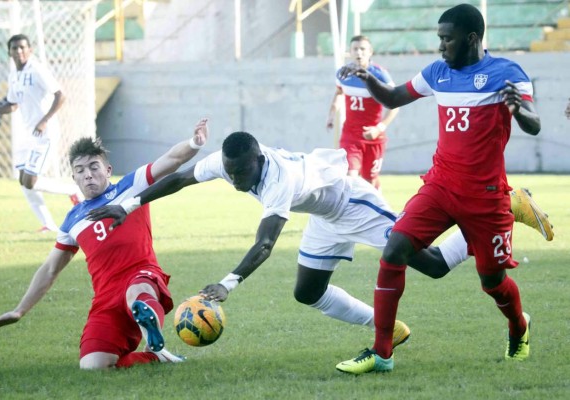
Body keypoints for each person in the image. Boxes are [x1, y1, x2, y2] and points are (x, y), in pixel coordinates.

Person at [86, 127, 550, 352]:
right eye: (230, 173)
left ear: (257, 160)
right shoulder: (228, 165)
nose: (236, 180)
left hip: (352, 203)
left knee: (430, 264)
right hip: (324, 218)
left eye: (242, 173)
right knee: (307, 291)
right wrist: (127, 203)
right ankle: (385, 326)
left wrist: (229, 282)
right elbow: (179, 179)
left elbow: (265, 243)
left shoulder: (278, 179)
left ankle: (505, 209)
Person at [335, 4, 541, 374]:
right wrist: (368, 80)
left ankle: (518, 326)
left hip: (485, 194)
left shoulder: (506, 73)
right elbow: (395, 97)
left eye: (447, 39)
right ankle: (382, 353)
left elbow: (533, 122)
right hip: (440, 185)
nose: (442, 46)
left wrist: (520, 110)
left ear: (472, 38)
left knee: (492, 282)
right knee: (395, 247)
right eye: (440, 39)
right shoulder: (438, 72)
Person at [0, 119, 209, 369]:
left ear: (108, 169)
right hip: (106, 298)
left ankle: (150, 329)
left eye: (94, 166)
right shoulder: (72, 221)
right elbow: (50, 270)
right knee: (93, 366)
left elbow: (171, 159)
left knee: (138, 296)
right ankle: (155, 355)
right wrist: (20, 310)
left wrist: (194, 143)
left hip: (141, 276)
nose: (87, 174)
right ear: (74, 177)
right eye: (80, 170)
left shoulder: (131, 186)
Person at [0, 34, 83, 233]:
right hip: (27, 135)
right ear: (9, 52)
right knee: (23, 181)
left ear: (30, 50)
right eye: (15, 48)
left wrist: (45, 120)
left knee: (31, 180)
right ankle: (48, 224)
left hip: (44, 133)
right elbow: (13, 105)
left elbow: (60, 95)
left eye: (22, 47)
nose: (19, 51)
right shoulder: (14, 75)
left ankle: (72, 190)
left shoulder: (37, 70)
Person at [326, 35, 399, 189]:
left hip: (373, 137)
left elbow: (395, 105)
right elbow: (339, 93)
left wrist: (379, 128)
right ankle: (352, 212)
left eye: (362, 49)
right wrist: (332, 114)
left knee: (369, 183)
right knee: (350, 177)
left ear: (370, 52)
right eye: (355, 49)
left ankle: (376, 202)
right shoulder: (343, 74)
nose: (359, 53)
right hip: (350, 135)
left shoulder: (380, 75)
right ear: (350, 52)